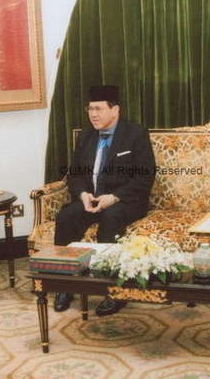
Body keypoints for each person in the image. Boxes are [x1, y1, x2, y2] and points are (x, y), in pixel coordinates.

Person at [54, 85, 156, 316]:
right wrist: (83, 195)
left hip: (125, 200)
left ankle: (114, 291)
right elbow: (75, 175)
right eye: (90, 109)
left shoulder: (135, 133)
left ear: (115, 110)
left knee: (111, 219)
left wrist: (115, 197)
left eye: (98, 109)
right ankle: (65, 285)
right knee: (66, 217)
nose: (93, 114)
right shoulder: (86, 136)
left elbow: (145, 176)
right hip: (91, 198)